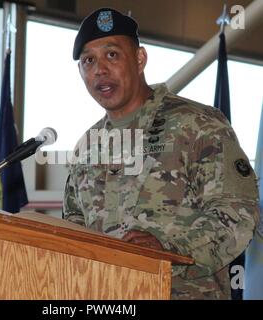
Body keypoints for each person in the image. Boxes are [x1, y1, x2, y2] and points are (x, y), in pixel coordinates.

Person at [62, 7, 260, 299]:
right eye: (88, 60)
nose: (99, 69)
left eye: (112, 55)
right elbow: (73, 228)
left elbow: (238, 213)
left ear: (140, 59)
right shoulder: (87, 148)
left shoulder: (197, 125)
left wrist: (169, 250)